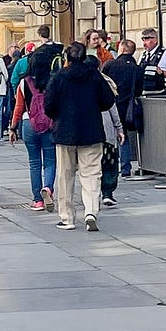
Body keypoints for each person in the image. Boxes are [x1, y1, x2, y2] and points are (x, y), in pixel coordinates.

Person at [44, 40, 117, 231]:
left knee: (65, 176)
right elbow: (108, 100)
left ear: (66, 57)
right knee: (92, 174)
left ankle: (67, 217)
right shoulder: (94, 76)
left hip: (65, 132)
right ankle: (91, 211)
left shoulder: (59, 77)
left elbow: (48, 105)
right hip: (91, 131)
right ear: (85, 57)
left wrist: (60, 115)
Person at [9, 43, 57, 209]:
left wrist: (13, 127)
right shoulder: (53, 79)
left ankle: (37, 200)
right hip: (49, 123)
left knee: (34, 162)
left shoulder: (24, 82)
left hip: (28, 123)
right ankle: (48, 188)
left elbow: (18, 107)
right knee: (50, 161)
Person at [106, 36, 142, 179]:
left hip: (111, 104)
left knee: (111, 136)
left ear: (121, 48)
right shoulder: (137, 68)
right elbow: (139, 89)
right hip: (128, 106)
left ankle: (110, 165)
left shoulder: (110, 65)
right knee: (124, 136)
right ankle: (125, 167)